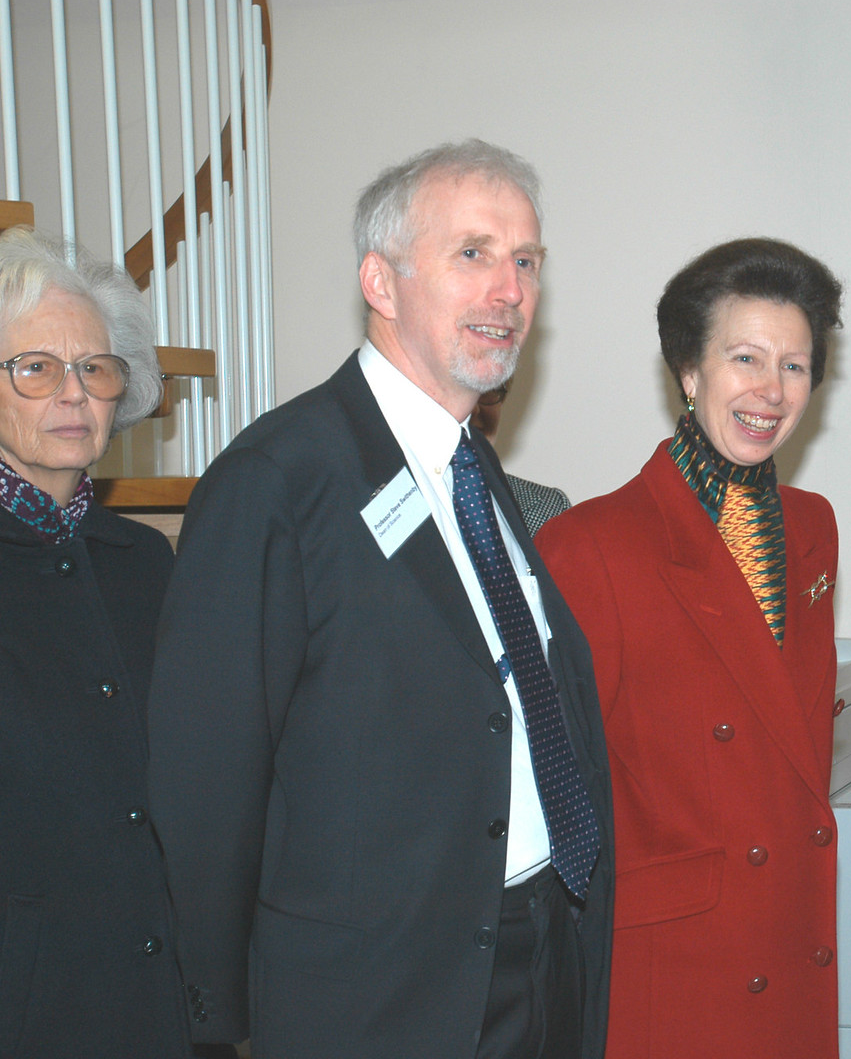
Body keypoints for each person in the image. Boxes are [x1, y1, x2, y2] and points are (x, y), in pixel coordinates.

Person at [145, 140, 613, 1059]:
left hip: (535, 959)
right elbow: (207, 776)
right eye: (472, 254)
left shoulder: (473, 468)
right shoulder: (278, 479)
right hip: (375, 999)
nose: (509, 290)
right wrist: (219, 1020)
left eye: (526, 262)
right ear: (381, 281)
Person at [537, 238, 843, 1059]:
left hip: (792, 930)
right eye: (744, 358)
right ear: (689, 371)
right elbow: (554, 791)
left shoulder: (813, 528)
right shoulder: (588, 544)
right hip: (676, 967)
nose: (770, 391)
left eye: (795, 366)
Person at [0, 228, 189, 1057]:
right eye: (35, 367)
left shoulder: (146, 561)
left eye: (95, 369)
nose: (72, 394)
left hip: (160, 999)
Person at [471, 379, 570, 535]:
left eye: (488, 389)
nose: (475, 408)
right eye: (457, 390)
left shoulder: (548, 509)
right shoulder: (418, 504)